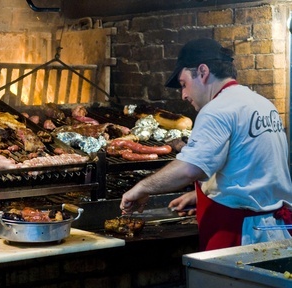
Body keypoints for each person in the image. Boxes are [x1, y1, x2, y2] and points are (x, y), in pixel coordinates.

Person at [119, 38, 292, 251]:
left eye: (184, 84)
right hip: (276, 229)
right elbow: (252, 167)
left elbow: (190, 168)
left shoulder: (217, 109)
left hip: (241, 237)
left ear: (202, 71)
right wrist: (205, 194)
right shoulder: (263, 104)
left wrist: (141, 188)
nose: (183, 94)